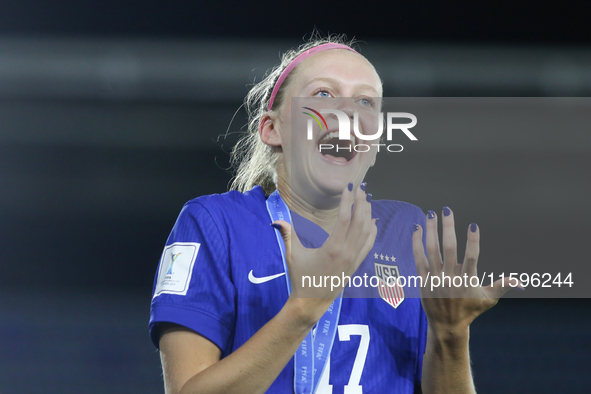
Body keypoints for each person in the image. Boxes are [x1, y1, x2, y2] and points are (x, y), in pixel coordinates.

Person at [149, 35, 518, 394]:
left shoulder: (409, 234)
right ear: (272, 128)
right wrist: (304, 308)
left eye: (366, 103)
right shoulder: (215, 224)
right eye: (323, 94)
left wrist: (451, 334)